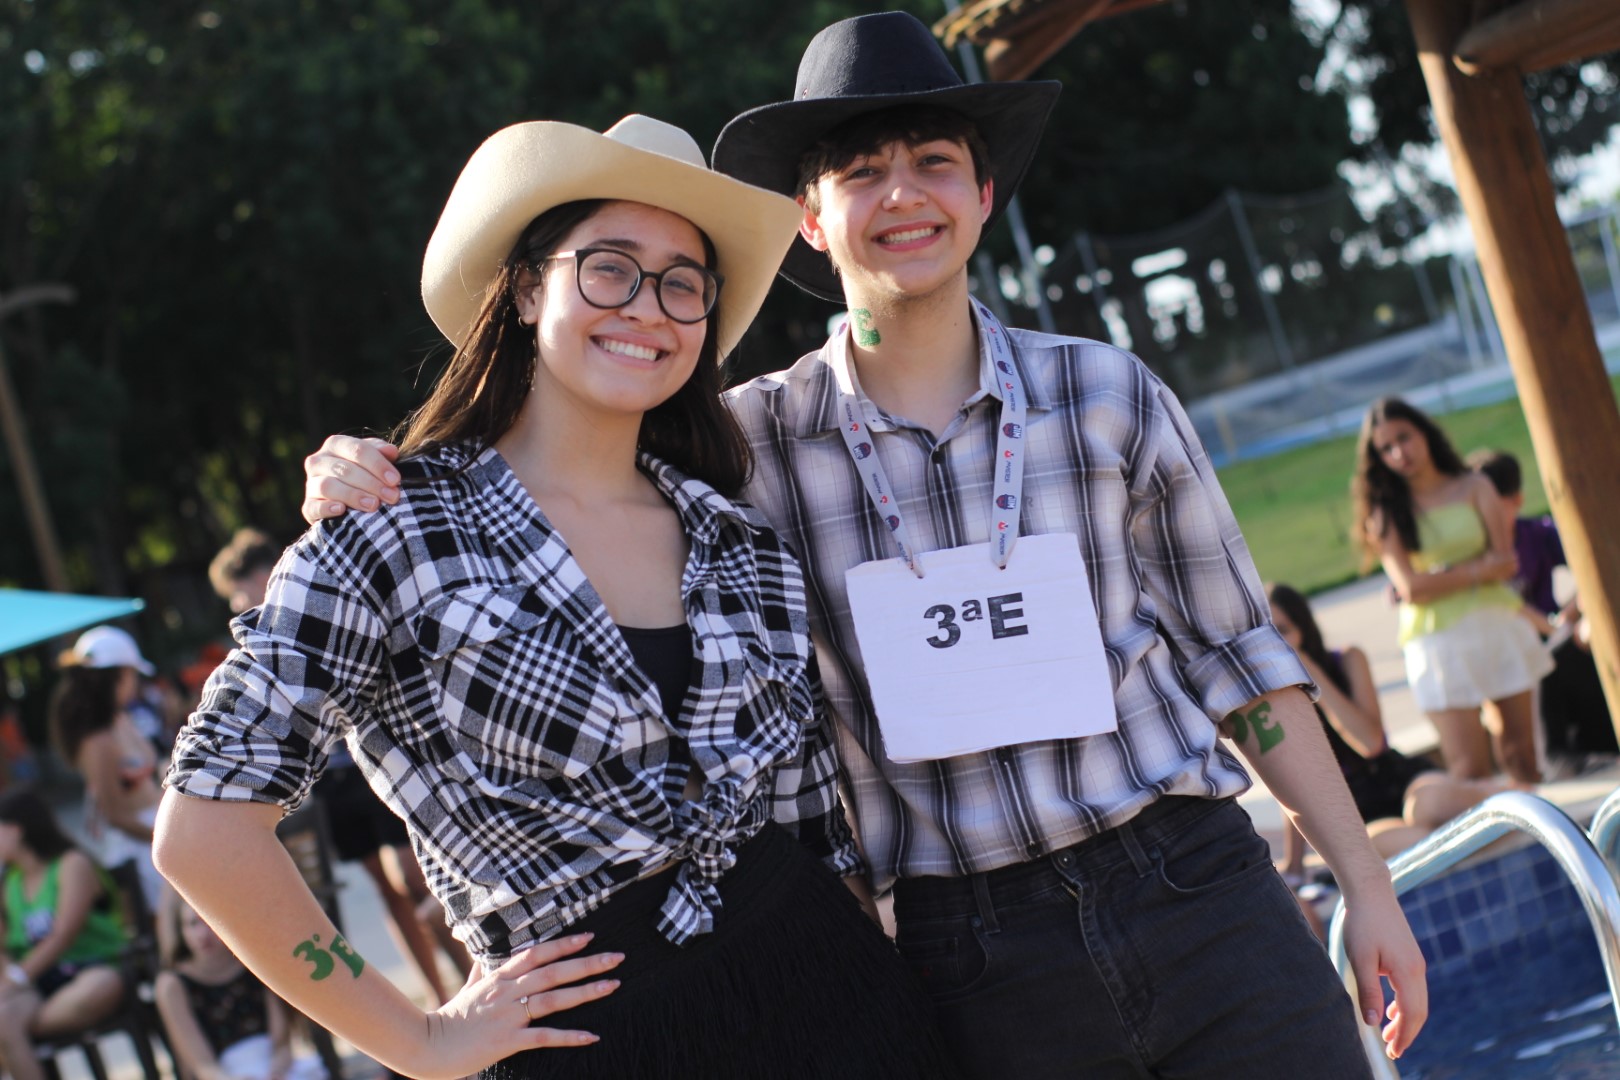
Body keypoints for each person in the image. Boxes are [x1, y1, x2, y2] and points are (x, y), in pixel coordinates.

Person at [298, 13, 1427, 1077]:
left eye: (934, 161)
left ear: (984, 195)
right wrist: (362, 468)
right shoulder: (739, 455)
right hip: (969, 952)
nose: (903, 195)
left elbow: (1239, 656)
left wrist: (1364, 880)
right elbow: (555, 471)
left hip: (1194, 888)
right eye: (859, 173)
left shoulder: (1108, 397)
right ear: (808, 217)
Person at [157, 114, 958, 1080]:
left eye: (682, 283)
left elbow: (812, 828)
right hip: (589, 1040)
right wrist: (415, 1040)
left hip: (837, 1001)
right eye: (610, 267)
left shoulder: (738, 539)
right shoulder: (393, 530)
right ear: (531, 286)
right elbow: (203, 828)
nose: (646, 308)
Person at [208, 529, 472, 1003]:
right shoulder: (263, 632)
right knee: (390, 892)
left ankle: (472, 979)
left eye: (237, 593)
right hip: (333, 779)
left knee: (413, 881)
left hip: (375, 762)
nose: (237, 606)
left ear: (260, 573)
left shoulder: (321, 590)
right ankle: (438, 1001)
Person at [1352, 398, 1551, 785]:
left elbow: (1506, 563)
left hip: (1498, 626)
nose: (1398, 453)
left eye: (1404, 438)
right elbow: (1411, 588)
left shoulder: (1474, 486)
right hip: (1438, 642)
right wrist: (1476, 569)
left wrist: (1441, 575)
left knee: (1522, 755)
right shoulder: (1387, 511)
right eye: (1385, 449)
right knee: (1469, 769)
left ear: (1424, 431)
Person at [1266, 584, 1504, 882]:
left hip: (1399, 777)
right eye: (1269, 638)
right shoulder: (1275, 700)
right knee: (1396, 845)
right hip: (1361, 811)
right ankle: (1492, 823)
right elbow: (1289, 783)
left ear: (1303, 626)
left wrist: (1310, 672)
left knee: (1429, 805)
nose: (1280, 646)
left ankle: (1506, 798)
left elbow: (1371, 743)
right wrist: (1295, 864)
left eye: (1283, 631)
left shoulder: (1347, 659)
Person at [1468, 449, 1615, 764]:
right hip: (1503, 651)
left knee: (1574, 646)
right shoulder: (1470, 553)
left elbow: (1598, 565)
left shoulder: (1535, 535)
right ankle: (1555, 757)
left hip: (1550, 638)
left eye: (1493, 505)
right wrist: (1549, 624)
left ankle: (1588, 747)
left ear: (1516, 501)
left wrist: (1572, 611)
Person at [0, 789, 130, 1080]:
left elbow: (63, 935)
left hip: (91, 970)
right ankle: (13, 1028)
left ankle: (16, 1030)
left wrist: (16, 979)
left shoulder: (72, 864)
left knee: (100, 986)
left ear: (15, 830)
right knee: (4, 1019)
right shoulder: (11, 883)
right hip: (38, 986)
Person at [48, 626, 167, 909]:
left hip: (155, 836)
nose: (135, 682)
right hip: (141, 848)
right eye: (132, 674)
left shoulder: (119, 719)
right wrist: (165, 841)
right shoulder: (97, 741)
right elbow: (115, 815)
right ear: (119, 674)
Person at [156, 896, 326, 1080]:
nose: (202, 934)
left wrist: (277, 1071)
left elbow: (282, 1044)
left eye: (208, 921)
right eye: (192, 924)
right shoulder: (173, 986)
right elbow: (203, 1066)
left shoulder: (256, 961)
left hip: (274, 1067)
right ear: (181, 931)